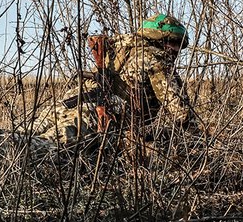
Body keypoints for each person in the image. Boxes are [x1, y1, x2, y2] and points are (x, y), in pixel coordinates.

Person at [34, 12, 199, 152]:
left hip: (67, 103)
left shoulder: (118, 49)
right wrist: (197, 141)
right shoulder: (156, 58)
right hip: (94, 115)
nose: (177, 50)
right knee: (39, 149)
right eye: (174, 42)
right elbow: (182, 113)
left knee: (25, 135)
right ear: (160, 39)